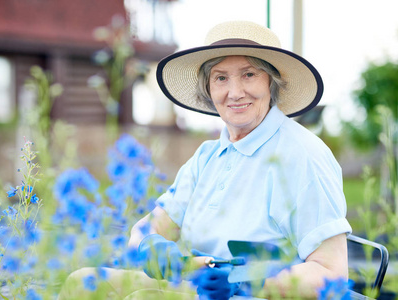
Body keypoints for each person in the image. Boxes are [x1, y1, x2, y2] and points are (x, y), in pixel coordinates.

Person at [60, 20, 352, 299]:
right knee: (83, 283)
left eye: (249, 74)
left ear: (272, 83)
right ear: (208, 89)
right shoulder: (208, 156)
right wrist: (151, 246)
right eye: (221, 78)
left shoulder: (303, 155)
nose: (235, 92)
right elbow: (146, 229)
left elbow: (331, 274)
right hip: (196, 288)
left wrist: (246, 281)